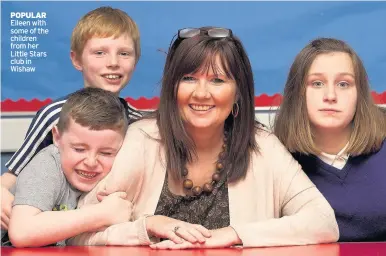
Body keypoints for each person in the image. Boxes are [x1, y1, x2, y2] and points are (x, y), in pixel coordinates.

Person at [68, 27, 339, 248]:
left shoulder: (262, 147)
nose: (201, 93)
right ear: (172, 87)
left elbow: (324, 222)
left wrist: (232, 234)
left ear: (238, 93)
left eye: (217, 80)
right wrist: (146, 227)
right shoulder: (142, 140)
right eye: (188, 78)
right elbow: (77, 232)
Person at [1, 6, 142, 231]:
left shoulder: (139, 123)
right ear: (77, 60)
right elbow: (15, 175)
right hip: (53, 229)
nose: (113, 62)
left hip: (106, 230)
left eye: (124, 53)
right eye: (100, 53)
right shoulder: (54, 115)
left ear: (135, 60)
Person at [274, 38, 386, 242]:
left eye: (344, 84)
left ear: (359, 93)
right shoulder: (275, 156)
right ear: (298, 92)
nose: (331, 95)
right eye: (317, 83)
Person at [3, 88, 132, 247]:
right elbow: (21, 232)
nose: (91, 162)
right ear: (57, 137)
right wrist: (102, 214)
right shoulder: (47, 165)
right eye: (79, 149)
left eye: (106, 153)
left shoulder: (119, 170)